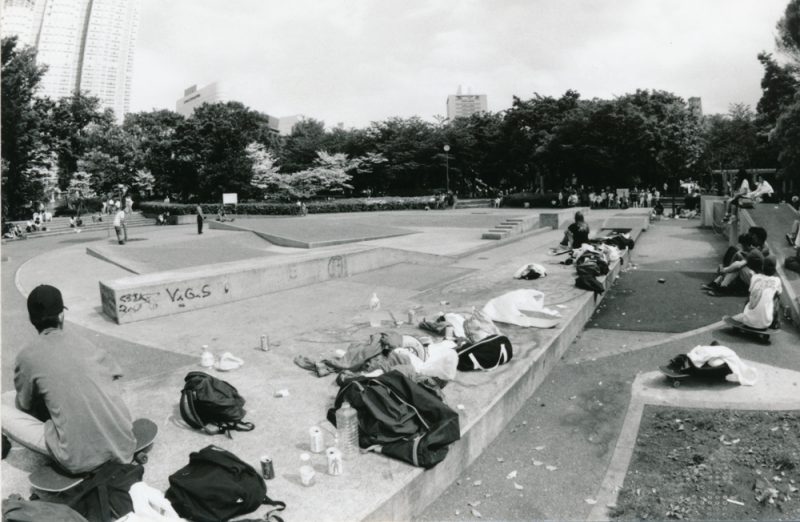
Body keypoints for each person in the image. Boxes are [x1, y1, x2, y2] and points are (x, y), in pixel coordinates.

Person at [1, 285, 136, 474]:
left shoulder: (26, 356)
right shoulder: (85, 343)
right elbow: (114, 376)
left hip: (77, 460)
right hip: (124, 445)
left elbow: (24, 405)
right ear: (61, 316)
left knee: (4, 406)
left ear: (32, 321)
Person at [731, 256, 781, 330]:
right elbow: (777, 296)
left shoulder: (755, 277)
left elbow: (750, 296)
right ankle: (774, 322)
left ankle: (747, 315)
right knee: (776, 298)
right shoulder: (777, 280)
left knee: (751, 296)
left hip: (747, 321)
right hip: (765, 323)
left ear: (762, 267)